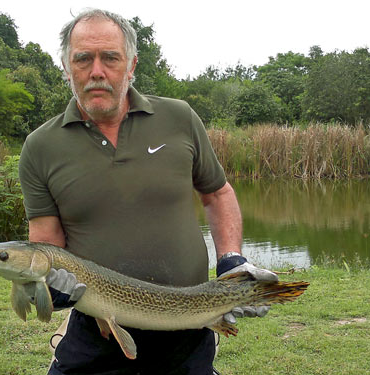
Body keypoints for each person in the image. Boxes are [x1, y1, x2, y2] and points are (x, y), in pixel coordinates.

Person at [19, 8, 277, 375]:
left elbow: (217, 194)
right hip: (97, 330)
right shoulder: (40, 146)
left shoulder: (179, 118)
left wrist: (232, 259)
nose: (97, 71)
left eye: (110, 58)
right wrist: (51, 284)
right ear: (66, 66)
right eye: (83, 59)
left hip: (189, 323)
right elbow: (46, 240)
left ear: (131, 64)